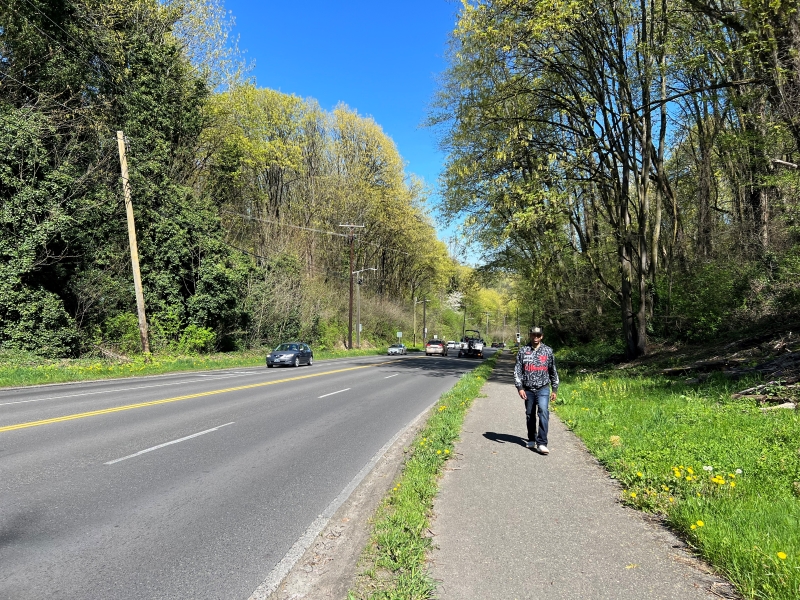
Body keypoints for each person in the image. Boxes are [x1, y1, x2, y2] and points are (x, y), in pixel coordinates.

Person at [514, 326, 559, 454]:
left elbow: (553, 370)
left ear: (541, 336)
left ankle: (542, 443)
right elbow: (518, 370)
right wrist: (520, 387)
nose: (535, 337)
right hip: (528, 389)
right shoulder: (523, 351)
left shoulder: (548, 351)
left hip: (543, 388)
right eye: (533, 335)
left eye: (538, 335)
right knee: (530, 414)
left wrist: (554, 388)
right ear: (530, 335)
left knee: (543, 412)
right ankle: (532, 438)